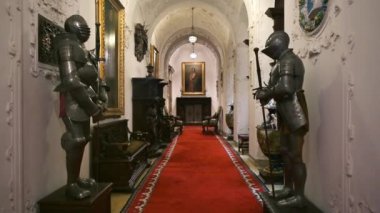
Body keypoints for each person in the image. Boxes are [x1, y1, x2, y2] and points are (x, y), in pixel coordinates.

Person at [54, 15, 108, 199]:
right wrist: (92, 108)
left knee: (83, 139)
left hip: (84, 101)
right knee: (75, 140)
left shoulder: (81, 47)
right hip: (73, 101)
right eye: (82, 26)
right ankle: (70, 185)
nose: (86, 29)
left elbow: (91, 75)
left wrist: (100, 97)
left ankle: (76, 179)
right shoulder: (67, 45)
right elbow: (70, 80)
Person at [254, 31, 309, 207]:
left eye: (271, 49)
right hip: (285, 112)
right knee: (285, 153)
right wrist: (264, 93)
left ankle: (299, 196)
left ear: (277, 45)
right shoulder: (280, 62)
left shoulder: (289, 61)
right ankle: (288, 187)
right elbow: (274, 86)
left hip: (294, 112)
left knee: (295, 156)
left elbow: (285, 88)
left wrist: (267, 92)